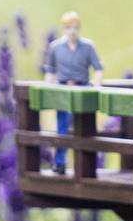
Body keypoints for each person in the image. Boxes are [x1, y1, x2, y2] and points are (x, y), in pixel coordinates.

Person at [40, 11, 101, 171]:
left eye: (75, 27)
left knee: (85, 127)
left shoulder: (88, 46)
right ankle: (60, 163)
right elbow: (50, 71)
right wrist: (49, 89)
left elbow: (97, 68)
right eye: (68, 27)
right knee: (63, 128)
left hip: (82, 90)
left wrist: (96, 84)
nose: (72, 31)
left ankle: (87, 166)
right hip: (63, 90)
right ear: (64, 29)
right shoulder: (56, 47)